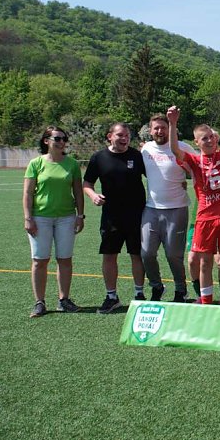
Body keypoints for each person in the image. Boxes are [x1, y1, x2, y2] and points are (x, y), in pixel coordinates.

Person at [168, 105, 220, 306]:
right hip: (205, 218)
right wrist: (173, 123)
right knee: (204, 261)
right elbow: (175, 150)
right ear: (196, 142)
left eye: (211, 136)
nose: (210, 140)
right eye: (205, 138)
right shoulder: (194, 160)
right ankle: (206, 301)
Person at [83, 123, 147, 314]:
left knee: (137, 254)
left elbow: (154, 175)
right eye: (120, 135)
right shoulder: (99, 158)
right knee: (110, 255)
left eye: (127, 135)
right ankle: (111, 297)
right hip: (111, 216)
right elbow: (87, 183)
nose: (124, 138)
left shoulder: (137, 156)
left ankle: (139, 294)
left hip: (137, 214)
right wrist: (93, 195)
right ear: (109, 136)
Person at [23, 126, 85, 317]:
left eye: (63, 138)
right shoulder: (36, 163)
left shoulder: (72, 164)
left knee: (64, 259)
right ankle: (39, 302)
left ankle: (64, 300)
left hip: (66, 217)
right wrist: (28, 218)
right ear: (46, 141)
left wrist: (80, 215)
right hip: (40, 218)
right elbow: (27, 193)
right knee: (40, 261)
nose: (61, 142)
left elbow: (77, 192)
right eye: (57, 138)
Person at [141, 114, 197, 303]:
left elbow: (200, 166)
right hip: (151, 209)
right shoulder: (146, 149)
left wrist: (187, 180)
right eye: (156, 128)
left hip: (177, 208)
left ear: (170, 128)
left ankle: (181, 290)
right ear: (150, 130)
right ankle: (157, 286)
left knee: (174, 255)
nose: (159, 131)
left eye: (163, 127)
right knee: (146, 253)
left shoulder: (182, 147)